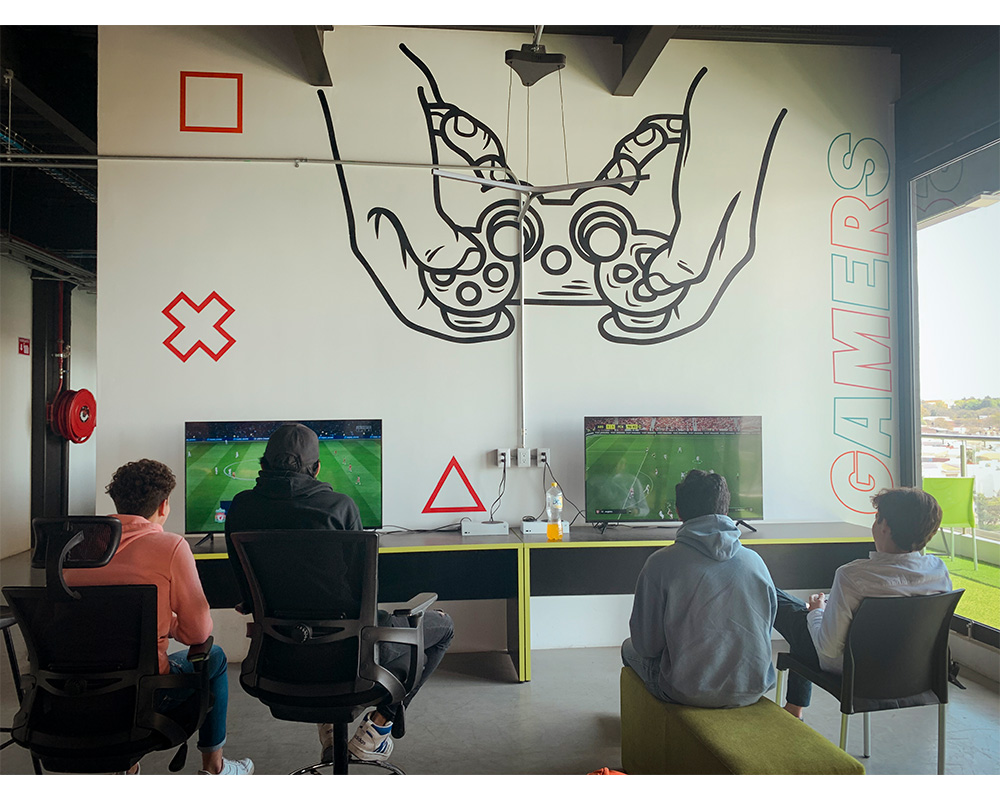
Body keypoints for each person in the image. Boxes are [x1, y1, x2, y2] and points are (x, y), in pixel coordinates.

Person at [225, 423, 454, 764]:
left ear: (264, 464)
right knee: (442, 627)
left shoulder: (241, 509)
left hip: (277, 659)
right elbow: (361, 595)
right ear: (316, 468)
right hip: (349, 656)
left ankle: (333, 727)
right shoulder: (339, 507)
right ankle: (377, 728)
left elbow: (246, 594)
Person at [65, 459, 253, 775]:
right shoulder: (170, 546)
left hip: (78, 691)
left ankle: (126, 768)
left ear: (117, 501)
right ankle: (215, 768)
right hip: (148, 695)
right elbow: (197, 634)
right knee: (215, 657)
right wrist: (167, 624)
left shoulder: (78, 545)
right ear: (164, 505)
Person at [773, 487, 952, 719]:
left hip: (855, 671)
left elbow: (828, 648)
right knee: (804, 620)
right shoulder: (938, 572)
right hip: (914, 674)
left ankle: (791, 709)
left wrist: (816, 613)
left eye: (876, 518)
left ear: (885, 526)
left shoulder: (852, 576)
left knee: (780, 602)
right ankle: (793, 708)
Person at [622, 469, 777, 707]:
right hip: (753, 688)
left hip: (686, 691)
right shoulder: (755, 562)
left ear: (678, 512)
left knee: (628, 648)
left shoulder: (660, 563)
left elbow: (646, 646)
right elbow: (765, 628)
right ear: (726, 509)